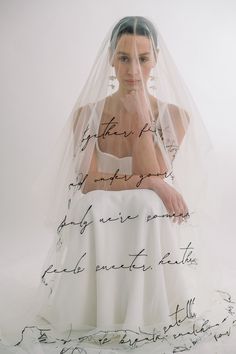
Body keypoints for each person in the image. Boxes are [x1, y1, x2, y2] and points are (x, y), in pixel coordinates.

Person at [2, 16, 236, 354]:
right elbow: (89, 183)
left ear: (156, 59)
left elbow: (148, 171)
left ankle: (146, 306)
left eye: (143, 59)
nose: (133, 70)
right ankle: (97, 305)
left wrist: (139, 111)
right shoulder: (86, 115)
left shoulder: (175, 117)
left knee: (149, 204)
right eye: (124, 58)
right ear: (110, 58)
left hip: (147, 222)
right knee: (101, 204)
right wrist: (156, 182)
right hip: (99, 214)